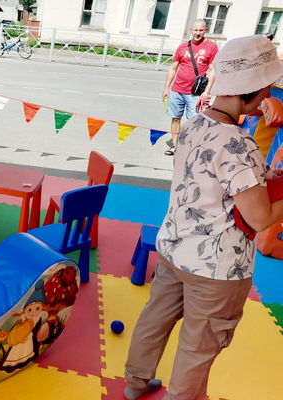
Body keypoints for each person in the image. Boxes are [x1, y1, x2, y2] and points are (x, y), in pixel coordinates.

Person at [124, 35, 283, 400]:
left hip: (174, 248)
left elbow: (214, 180)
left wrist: (265, 175)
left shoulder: (194, 123)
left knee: (154, 320)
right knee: (197, 349)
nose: (267, 97)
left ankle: (135, 383)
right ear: (249, 89)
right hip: (216, 269)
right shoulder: (239, 143)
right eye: (265, 88)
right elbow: (260, 219)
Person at [163, 19, 218, 156]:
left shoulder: (211, 47)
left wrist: (207, 91)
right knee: (175, 118)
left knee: (194, 122)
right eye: (196, 30)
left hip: (196, 93)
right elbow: (173, 68)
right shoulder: (183, 47)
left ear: (205, 31)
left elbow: (213, 71)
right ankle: (176, 146)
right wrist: (166, 88)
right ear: (191, 30)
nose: (198, 33)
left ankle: (189, 147)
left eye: (201, 30)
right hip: (176, 90)